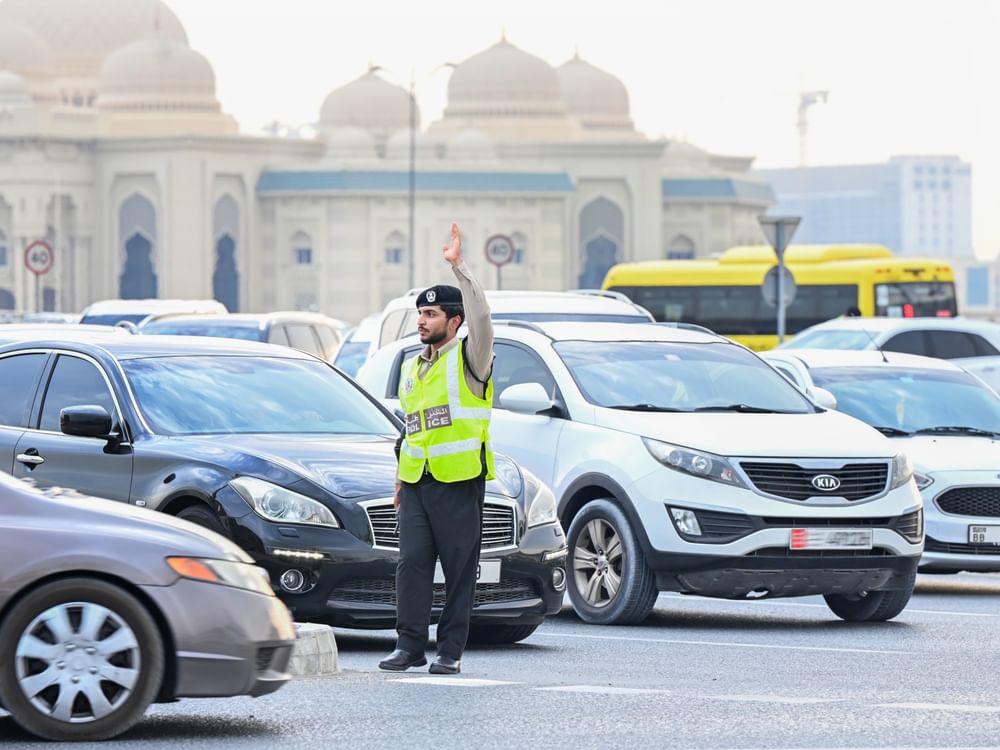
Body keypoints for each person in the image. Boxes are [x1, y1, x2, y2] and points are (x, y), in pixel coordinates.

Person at [378, 222, 494, 676]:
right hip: (416, 483)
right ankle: (409, 646)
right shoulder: (411, 365)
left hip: (459, 481)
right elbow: (411, 428)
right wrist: (400, 480)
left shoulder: (472, 358)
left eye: (431, 315)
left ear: (453, 320)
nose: (422, 320)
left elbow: (483, 317)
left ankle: (450, 651)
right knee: (411, 566)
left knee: (459, 570)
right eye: (419, 314)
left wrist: (459, 268)